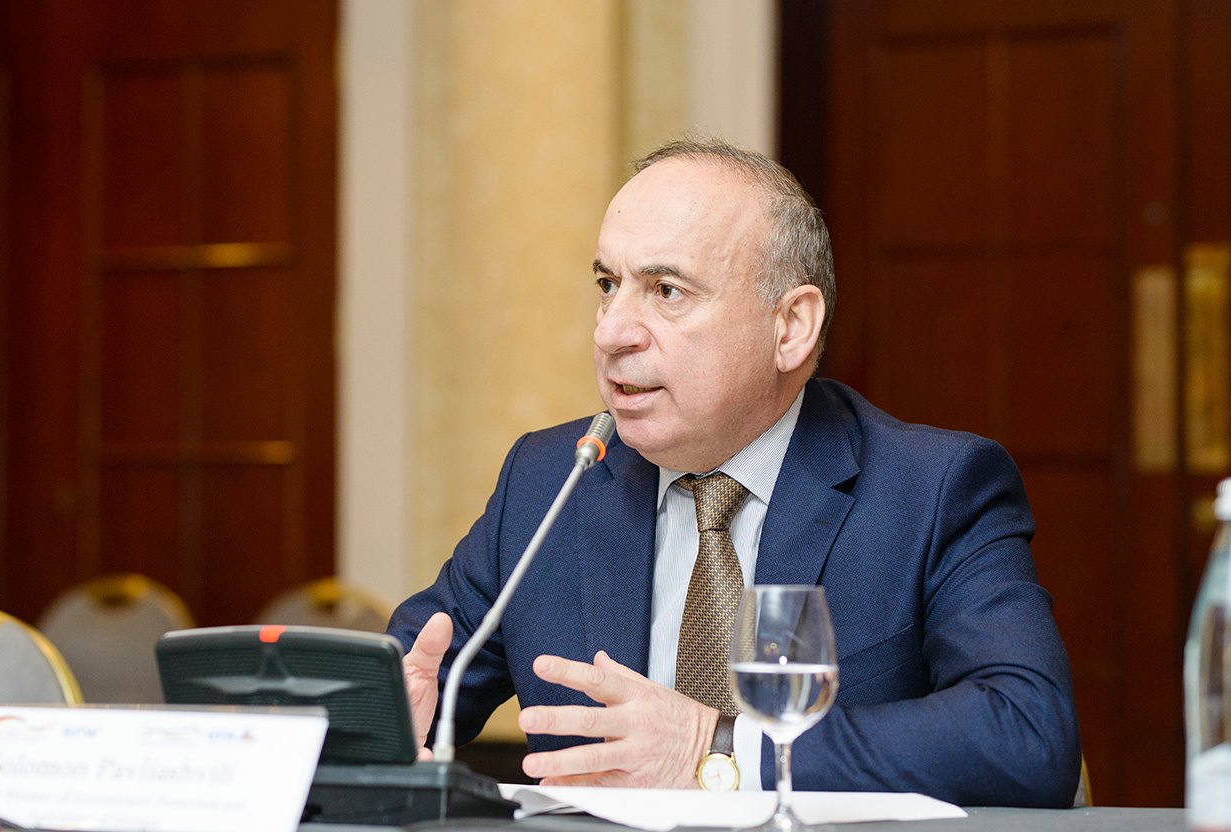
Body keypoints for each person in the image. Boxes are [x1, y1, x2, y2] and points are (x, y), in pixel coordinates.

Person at [386, 138, 1081, 807]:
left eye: (666, 290)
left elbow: (1026, 734)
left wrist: (715, 748)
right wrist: (376, 721)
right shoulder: (549, 482)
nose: (611, 333)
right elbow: (408, 676)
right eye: (608, 285)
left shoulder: (931, 491)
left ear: (791, 327)